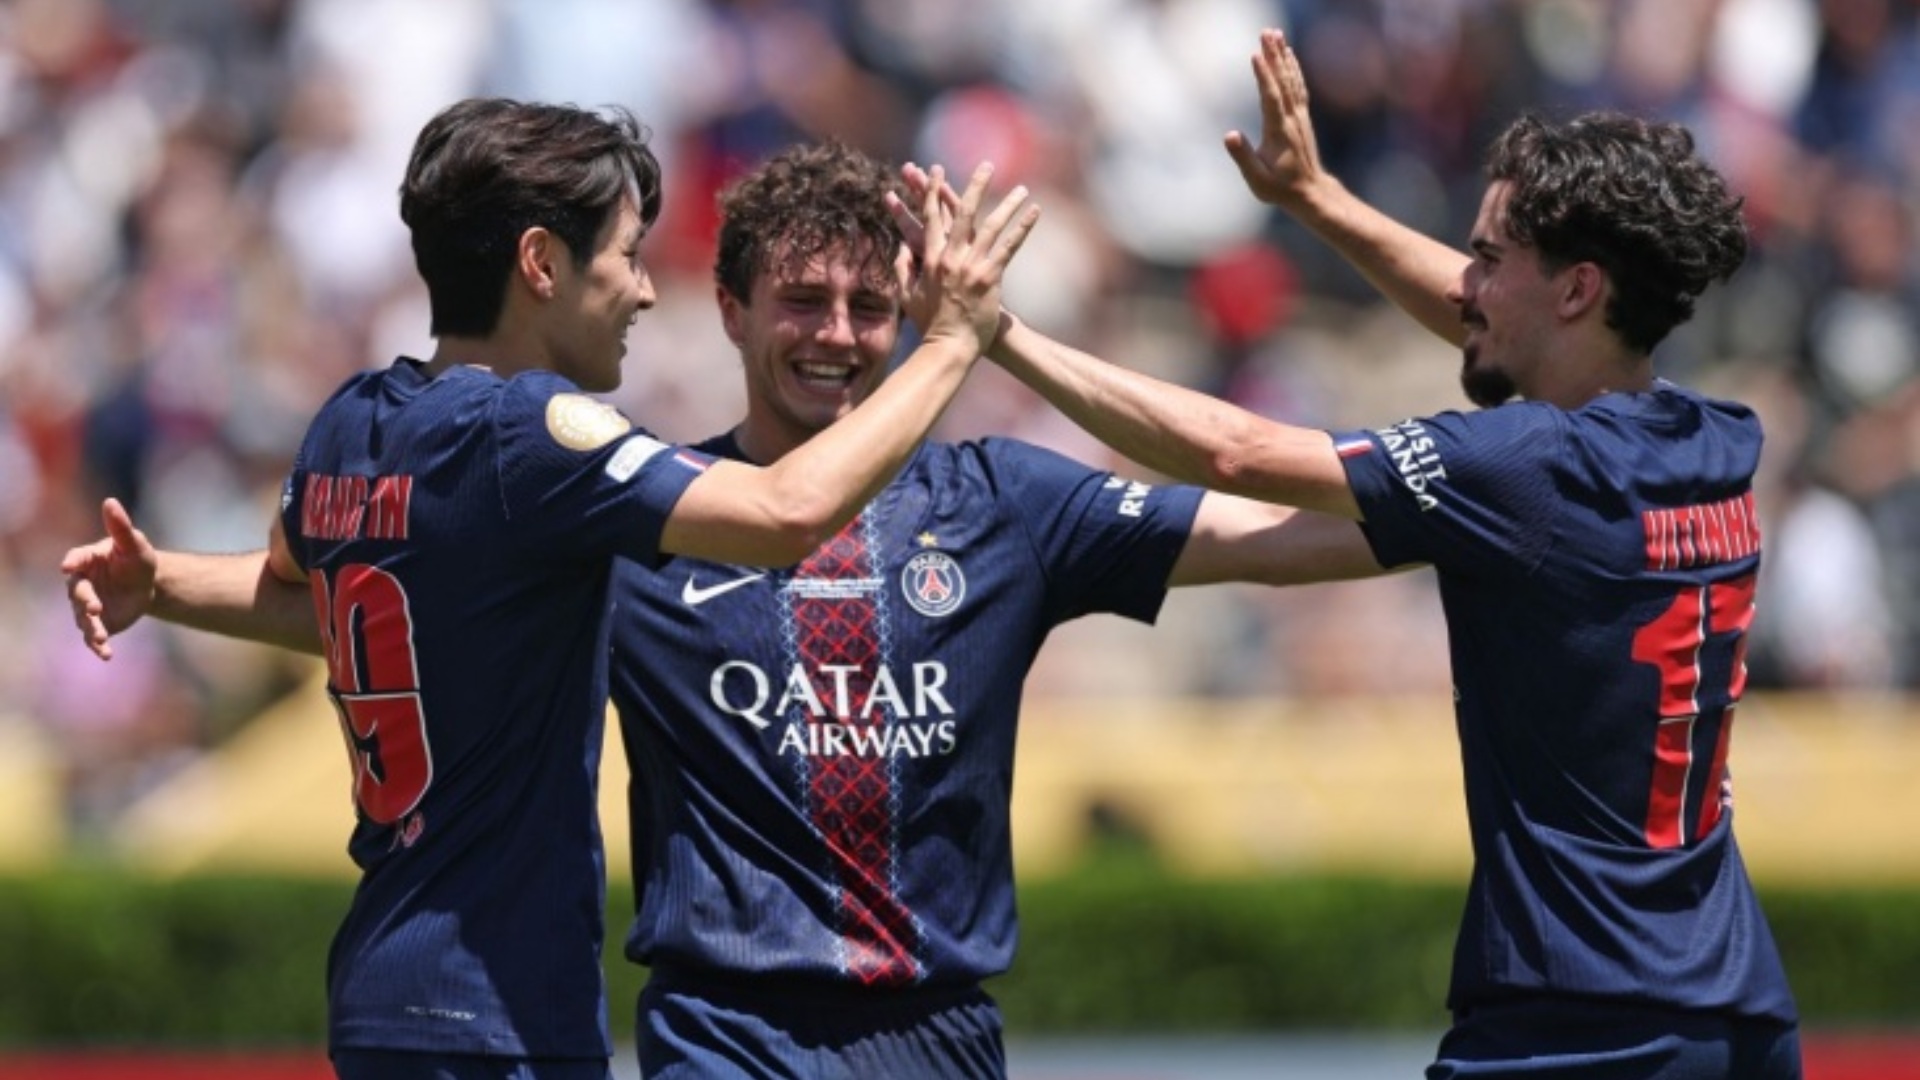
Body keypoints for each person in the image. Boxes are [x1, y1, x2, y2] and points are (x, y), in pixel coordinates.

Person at [66, 139, 1341, 1079]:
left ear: (906, 317)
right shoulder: (634, 515)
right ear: (729, 310)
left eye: (870, 307)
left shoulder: (1004, 502)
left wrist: (1437, 502)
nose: (836, 334)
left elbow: (1282, 540)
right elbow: (421, 609)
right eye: (802, 301)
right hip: (726, 1035)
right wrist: (174, 585)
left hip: (940, 1034)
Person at [956, 28, 1802, 1079]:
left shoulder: (1530, 466)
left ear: (1580, 289)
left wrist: (1000, 335)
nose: (1465, 285)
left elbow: (1238, 452)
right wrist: (1318, 199)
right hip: (1737, 1010)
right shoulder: (1712, 439)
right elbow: (1506, 325)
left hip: (1584, 1022)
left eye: (1488, 258)